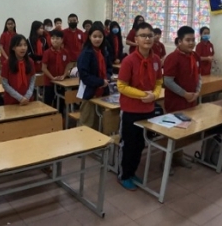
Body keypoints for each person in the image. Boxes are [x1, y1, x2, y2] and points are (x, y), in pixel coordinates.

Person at [117, 22, 163, 190]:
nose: (147, 39)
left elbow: (159, 81)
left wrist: (155, 95)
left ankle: (132, 172)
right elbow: (121, 86)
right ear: (136, 39)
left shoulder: (156, 60)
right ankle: (124, 175)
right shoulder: (129, 60)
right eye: (143, 36)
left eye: (150, 36)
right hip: (130, 110)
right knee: (128, 145)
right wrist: (144, 95)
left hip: (148, 110)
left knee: (140, 145)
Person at [163, 26, 201, 169]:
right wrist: (184, 94)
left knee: (184, 132)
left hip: (191, 100)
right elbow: (168, 81)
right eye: (187, 40)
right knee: (173, 132)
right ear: (179, 41)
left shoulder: (195, 56)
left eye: (193, 40)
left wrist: (197, 92)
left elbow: (199, 76)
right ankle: (165, 162)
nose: (191, 43)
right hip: (176, 102)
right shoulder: (173, 58)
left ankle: (178, 156)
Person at [77, 23, 112, 129]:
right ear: (90, 37)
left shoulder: (104, 52)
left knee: (100, 122)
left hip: (102, 93)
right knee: (87, 123)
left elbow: (109, 68)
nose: (97, 39)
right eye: (95, 36)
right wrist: (100, 82)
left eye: (100, 36)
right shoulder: (86, 53)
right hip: (89, 93)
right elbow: (84, 75)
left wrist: (107, 78)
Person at [1, 35, 35, 105]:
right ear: (13, 47)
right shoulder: (7, 63)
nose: (23, 48)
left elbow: (32, 79)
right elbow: (5, 84)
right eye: (19, 45)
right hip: (11, 101)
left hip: (27, 100)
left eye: (25, 45)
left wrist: (27, 96)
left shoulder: (30, 61)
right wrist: (20, 98)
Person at [42, 30, 69, 109]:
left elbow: (67, 65)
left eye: (57, 38)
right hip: (49, 82)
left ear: (62, 40)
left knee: (61, 102)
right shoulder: (47, 52)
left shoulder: (65, 52)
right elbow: (43, 68)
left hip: (61, 82)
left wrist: (64, 75)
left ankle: (61, 118)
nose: (55, 40)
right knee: (48, 102)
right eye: (53, 38)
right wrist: (52, 78)